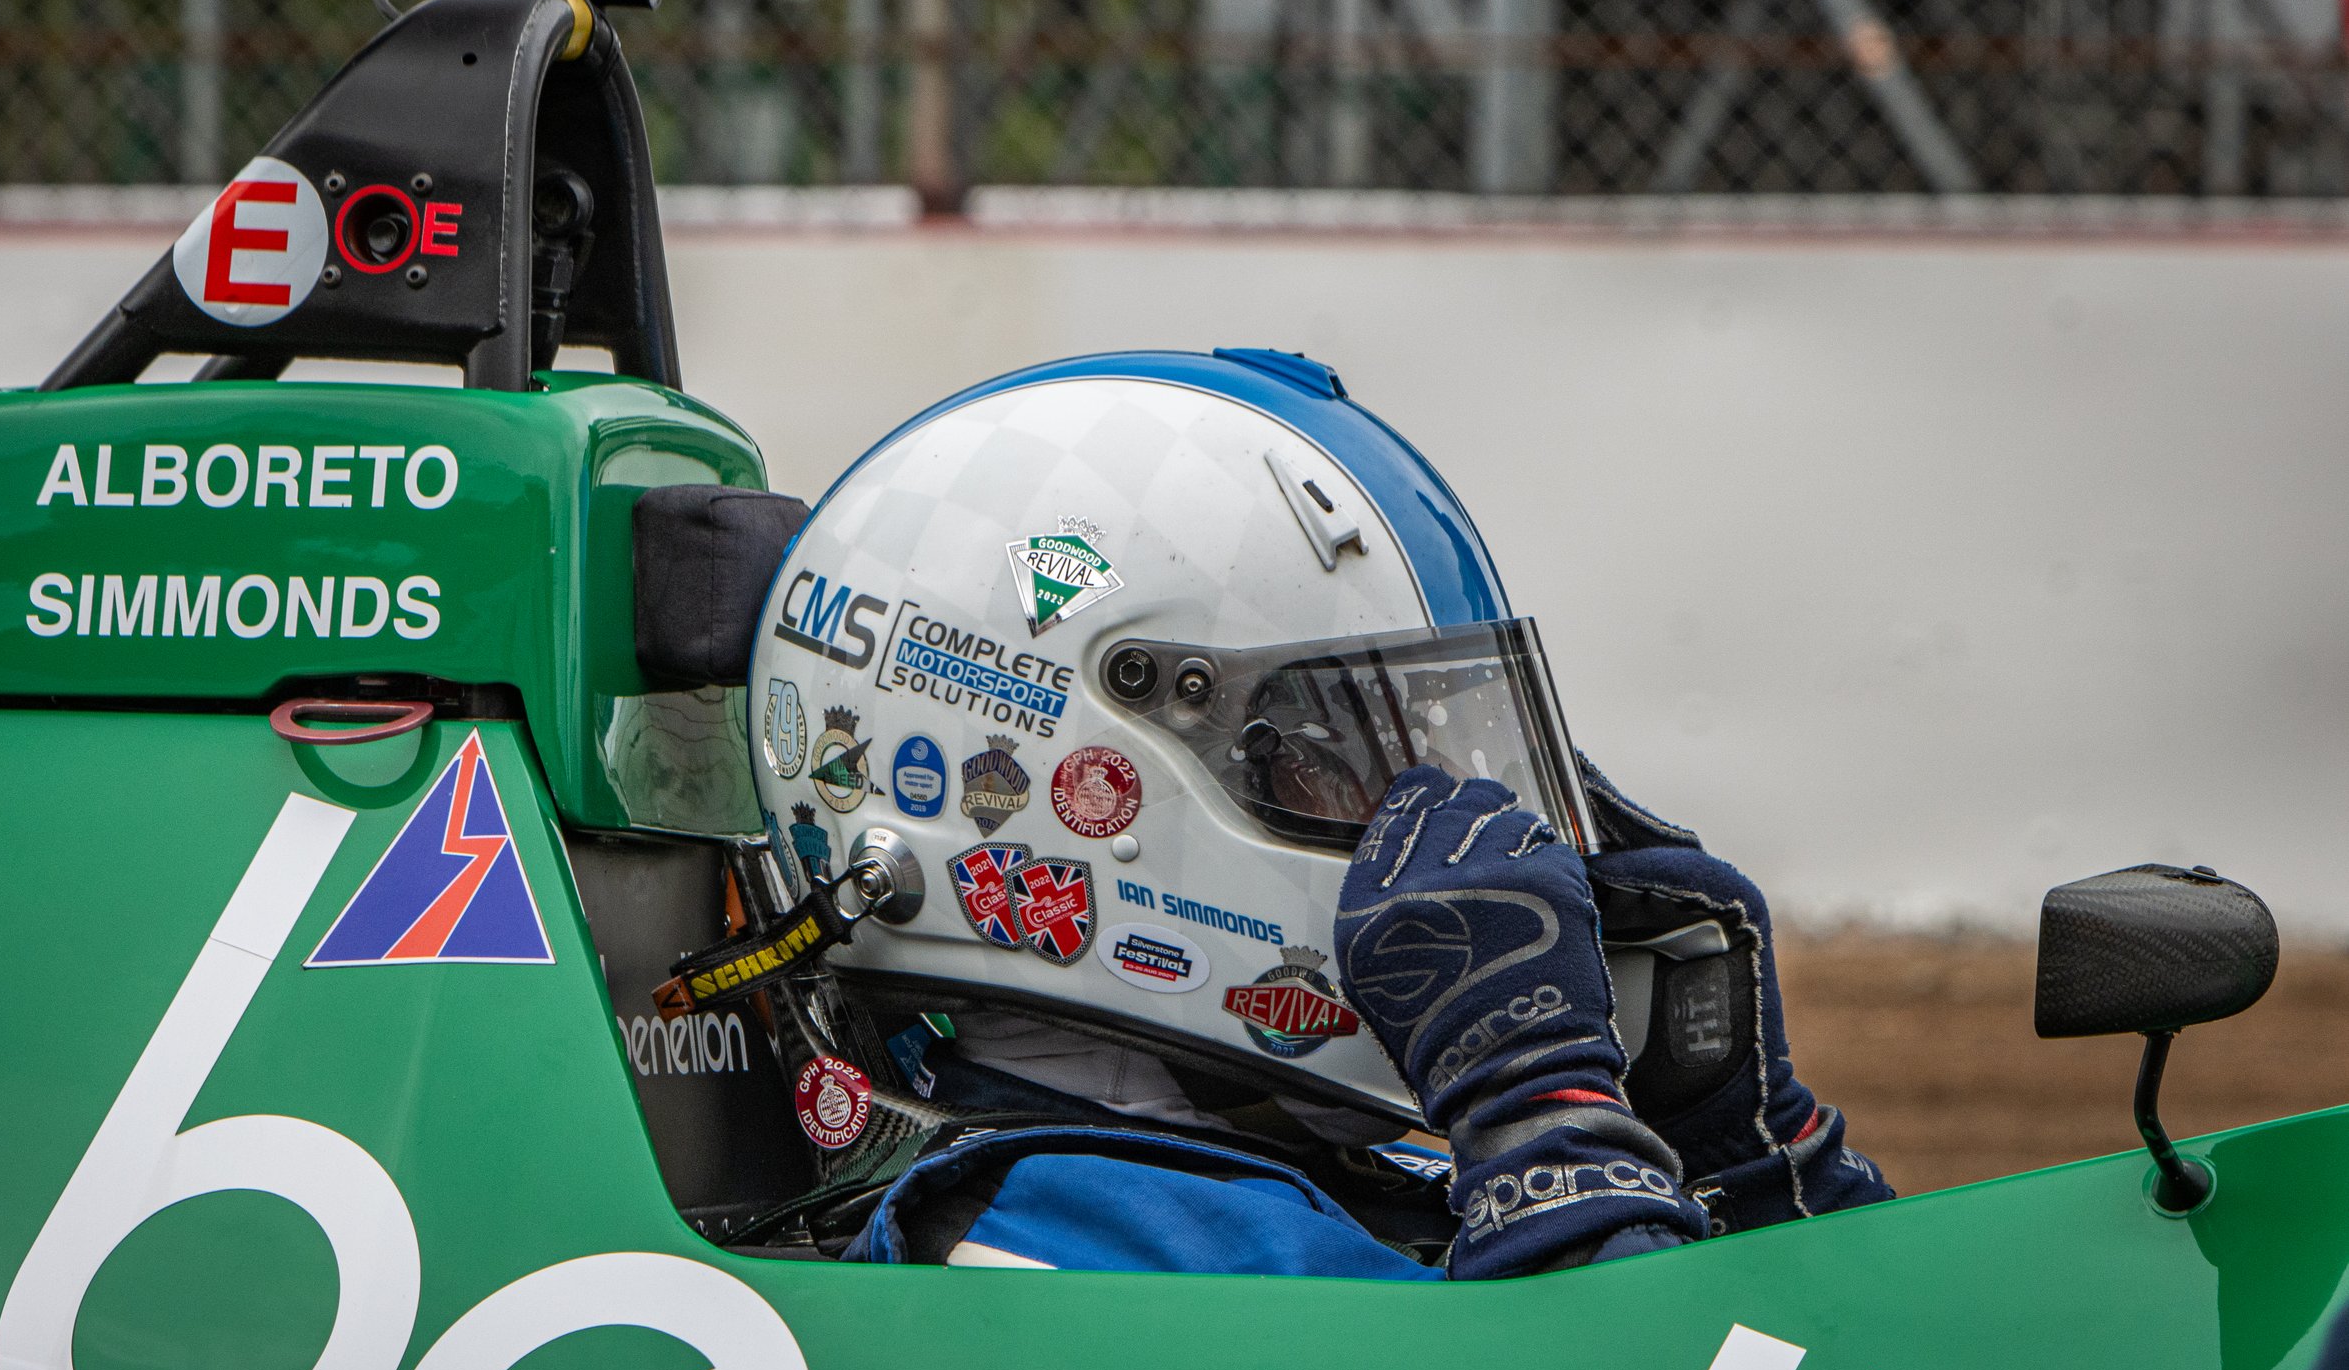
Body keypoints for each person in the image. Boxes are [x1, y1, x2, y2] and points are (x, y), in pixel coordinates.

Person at [728, 347, 1890, 1278]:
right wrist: (1543, 1119)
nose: (1431, 827)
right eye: (1333, 765)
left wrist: (1741, 1150)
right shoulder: (1062, 1237)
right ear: (1074, 780)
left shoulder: (1273, 1163)